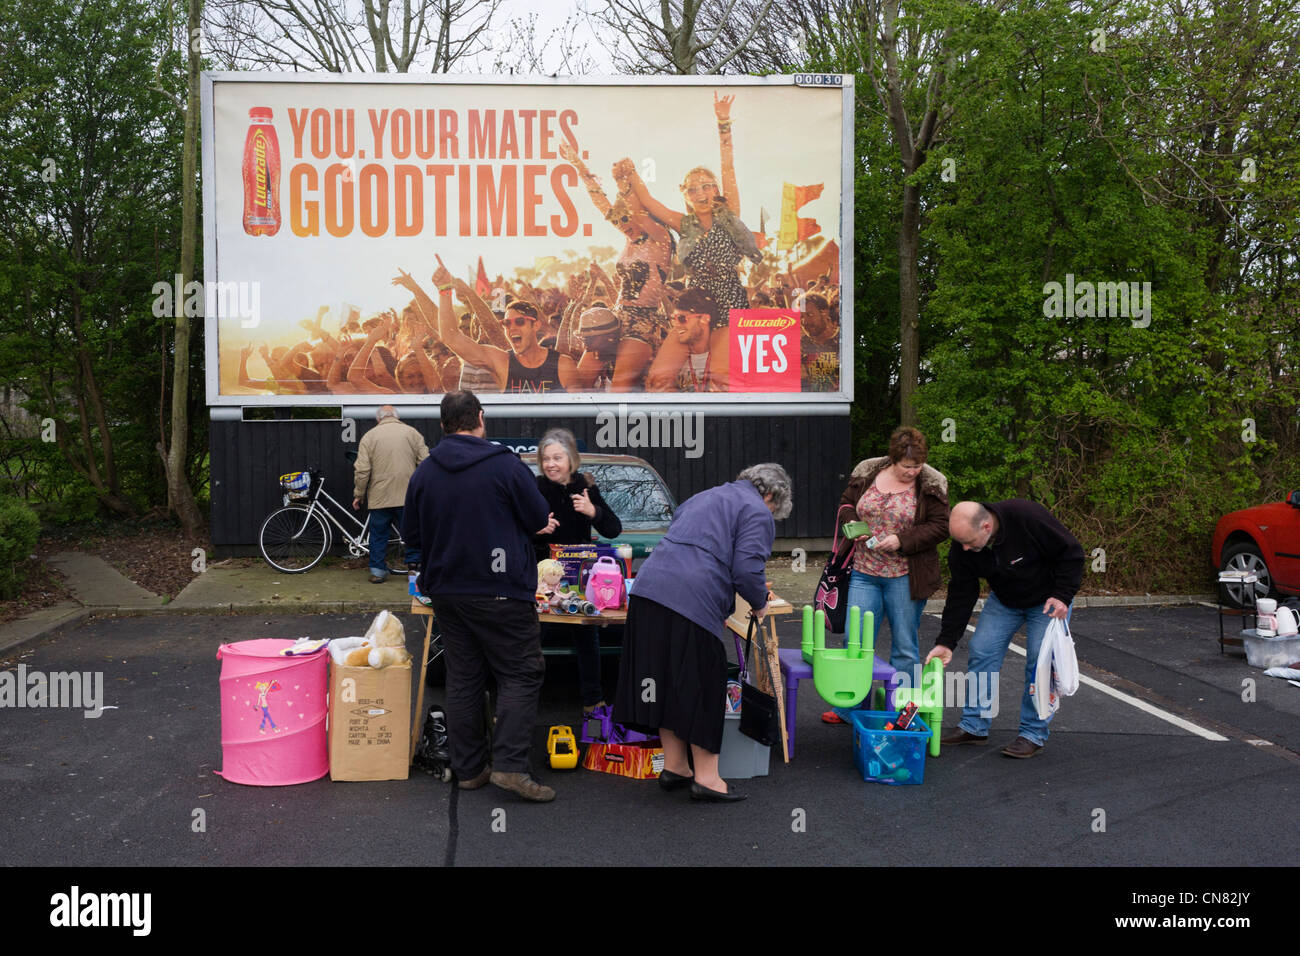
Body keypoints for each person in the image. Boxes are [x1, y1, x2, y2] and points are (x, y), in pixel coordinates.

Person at [402, 390, 557, 801]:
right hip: (502, 591)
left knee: (465, 677)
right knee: (521, 673)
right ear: (481, 418)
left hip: (448, 593)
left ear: (442, 425)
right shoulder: (504, 465)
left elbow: (411, 539)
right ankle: (509, 767)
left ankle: (470, 769)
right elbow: (539, 518)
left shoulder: (425, 473)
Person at [613, 463, 792, 802]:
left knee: (663, 679)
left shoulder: (704, 496)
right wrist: (759, 603)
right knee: (702, 685)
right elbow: (746, 567)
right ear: (771, 495)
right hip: (691, 598)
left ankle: (676, 766)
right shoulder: (756, 510)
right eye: (774, 509)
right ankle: (708, 779)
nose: (771, 514)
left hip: (647, 589)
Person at [618, 93, 762, 390]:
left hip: (729, 303)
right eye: (693, 189)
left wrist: (724, 123)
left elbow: (729, 168)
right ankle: (678, 431)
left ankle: (717, 433)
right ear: (685, 195)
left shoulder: (729, 214)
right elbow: (647, 201)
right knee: (657, 380)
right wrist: (631, 174)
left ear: (716, 190)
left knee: (721, 379)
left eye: (707, 186)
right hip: (694, 305)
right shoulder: (683, 224)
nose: (701, 193)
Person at [925, 499, 1084, 758]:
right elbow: (961, 593)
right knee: (981, 650)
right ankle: (974, 726)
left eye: (968, 542)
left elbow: (1072, 554)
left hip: (1048, 599)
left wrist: (1063, 595)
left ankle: (1032, 733)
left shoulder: (1027, 517)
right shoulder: (963, 545)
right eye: (960, 542)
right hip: (1005, 600)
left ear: (986, 526)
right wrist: (946, 641)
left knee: (1040, 663)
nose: (964, 548)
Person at [821, 427, 949, 723]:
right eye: (907, 467)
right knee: (856, 641)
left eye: (918, 466)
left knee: (905, 646)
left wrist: (901, 540)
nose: (913, 472)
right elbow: (845, 505)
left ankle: (900, 713)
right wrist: (855, 526)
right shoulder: (867, 471)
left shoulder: (932, 482)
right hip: (864, 572)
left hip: (905, 575)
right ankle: (850, 708)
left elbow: (940, 526)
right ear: (892, 459)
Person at [532, 429, 623, 713]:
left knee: (587, 639)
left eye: (557, 458)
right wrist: (536, 529)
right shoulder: (535, 488)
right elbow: (515, 531)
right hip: (543, 580)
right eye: (546, 459)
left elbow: (613, 529)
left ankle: (592, 701)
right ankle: (522, 701)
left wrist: (592, 511)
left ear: (571, 460)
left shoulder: (585, 488)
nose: (551, 464)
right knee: (534, 640)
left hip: (578, 579)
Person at [429, 256, 577, 394]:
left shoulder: (562, 365)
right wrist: (444, 290)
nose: (512, 328)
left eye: (520, 321)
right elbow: (451, 337)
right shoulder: (502, 362)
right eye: (506, 323)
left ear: (536, 325)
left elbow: (578, 413)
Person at [351, 405, 428, 583]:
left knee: (378, 534)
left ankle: (378, 572)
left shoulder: (369, 437)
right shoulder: (412, 433)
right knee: (411, 533)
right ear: (396, 417)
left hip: (380, 496)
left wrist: (359, 494)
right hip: (407, 495)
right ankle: (414, 568)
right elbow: (425, 463)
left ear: (379, 419)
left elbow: (362, 470)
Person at [645, 287, 726, 392]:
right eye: (673, 319)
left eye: (682, 318)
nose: (676, 325)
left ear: (704, 319)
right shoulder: (673, 361)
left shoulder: (721, 360)